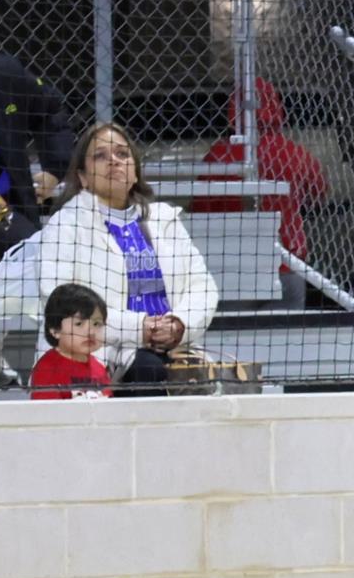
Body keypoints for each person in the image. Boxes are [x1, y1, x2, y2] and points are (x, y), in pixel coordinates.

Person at [34, 122, 219, 394]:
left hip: (173, 343)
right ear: (83, 177)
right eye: (100, 155)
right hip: (100, 348)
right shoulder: (65, 225)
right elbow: (58, 301)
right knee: (149, 369)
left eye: (122, 154)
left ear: (134, 172)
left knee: (206, 379)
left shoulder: (165, 219)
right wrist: (140, 328)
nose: (114, 161)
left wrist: (179, 324)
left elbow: (202, 285)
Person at [194, 78, 331, 307]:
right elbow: (319, 194)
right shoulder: (294, 152)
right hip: (286, 261)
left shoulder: (219, 155)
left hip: (235, 265)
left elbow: (200, 209)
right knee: (287, 336)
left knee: (233, 335)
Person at [0, 47, 74, 273]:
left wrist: (54, 169)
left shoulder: (3, 74)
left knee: (46, 266)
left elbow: (51, 110)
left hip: (6, 212)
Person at [28, 282, 112, 400]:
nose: (90, 332)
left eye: (96, 324)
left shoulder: (100, 369)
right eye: (79, 324)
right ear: (55, 330)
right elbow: (45, 414)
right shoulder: (47, 368)